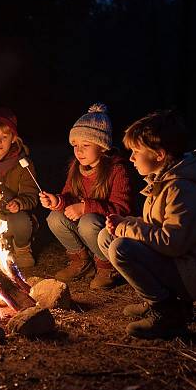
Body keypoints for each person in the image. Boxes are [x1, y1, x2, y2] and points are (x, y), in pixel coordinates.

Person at [98, 110, 196, 339]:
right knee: (106, 238)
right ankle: (160, 300)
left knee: (121, 248)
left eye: (136, 151)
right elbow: (154, 225)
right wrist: (124, 222)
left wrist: (125, 227)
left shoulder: (182, 189)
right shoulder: (163, 182)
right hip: (179, 262)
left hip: (195, 273)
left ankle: (167, 311)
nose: (132, 158)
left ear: (159, 154)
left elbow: (171, 241)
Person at [39, 103, 134, 289]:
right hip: (87, 226)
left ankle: (107, 267)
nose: (79, 151)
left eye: (85, 145)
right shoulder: (77, 168)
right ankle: (81, 263)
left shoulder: (117, 170)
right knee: (55, 217)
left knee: (87, 221)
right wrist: (58, 201)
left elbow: (122, 209)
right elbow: (69, 196)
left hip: (109, 230)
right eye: (75, 145)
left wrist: (85, 207)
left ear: (102, 146)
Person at [0, 107, 39, 268]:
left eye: (4, 137)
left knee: (21, 221)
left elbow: (32, 195)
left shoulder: (23, 164)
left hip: (14, 218)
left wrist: (19, 203)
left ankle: (22, 249)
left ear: (13, 138)